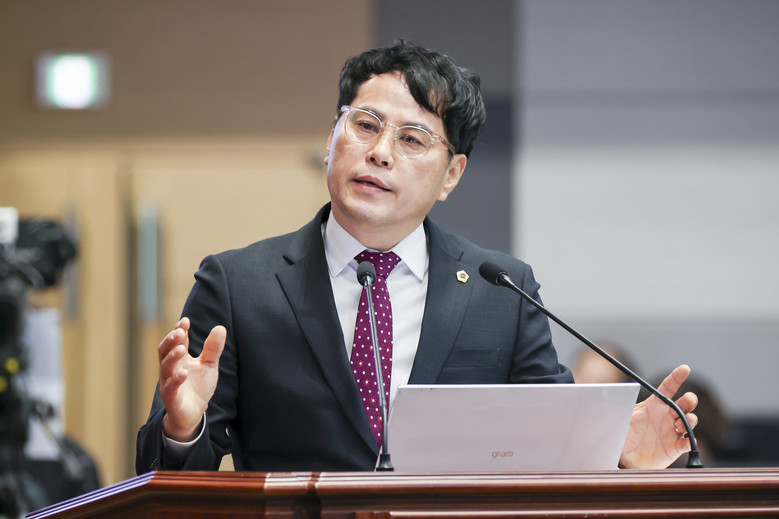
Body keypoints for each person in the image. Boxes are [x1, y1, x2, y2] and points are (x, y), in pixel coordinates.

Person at [136, 41, 698, 474]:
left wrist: (620, 456)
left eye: (411, 139)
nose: (380, 152)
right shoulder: (239, 285)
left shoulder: (500, 291)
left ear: (451, 174)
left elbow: (554, 452)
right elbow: (166, 475)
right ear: (332, 137)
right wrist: (183, 428)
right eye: (365, 125)